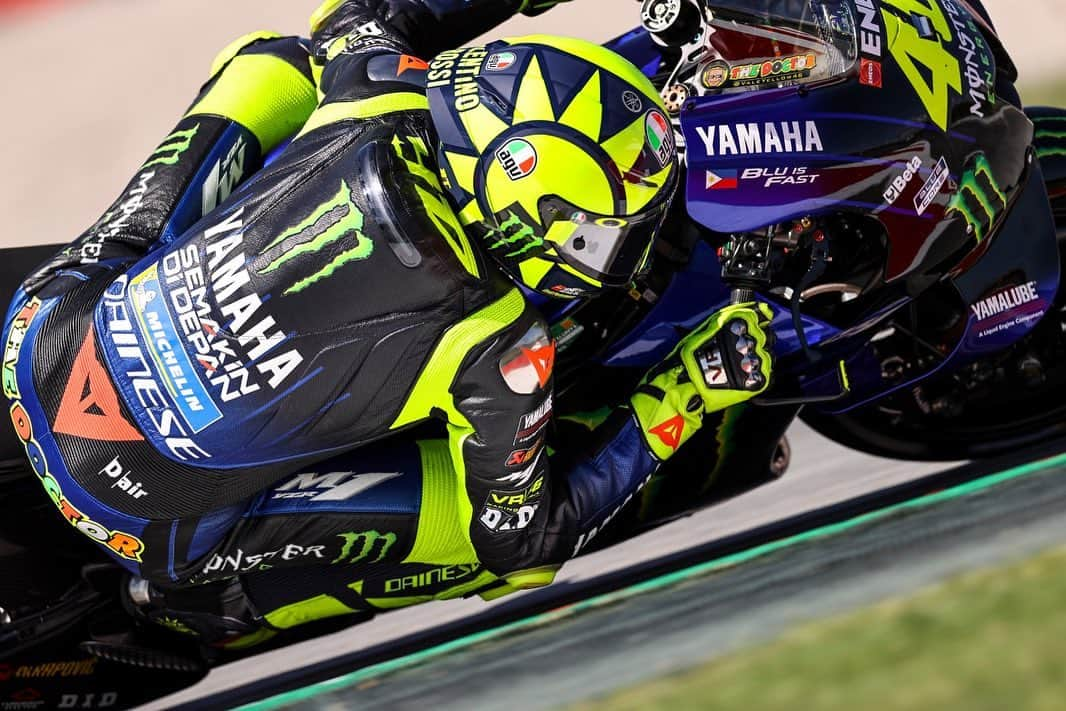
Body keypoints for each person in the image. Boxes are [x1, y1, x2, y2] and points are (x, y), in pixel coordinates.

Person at [2, 0, 774, 645]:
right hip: (148, 519)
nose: (619, 245)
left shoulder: (383, 92)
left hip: (38, 333)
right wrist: (691, 388)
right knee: (502, 552)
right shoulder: (498, 340)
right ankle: (228, 601)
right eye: (599, 233)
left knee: (273, 62)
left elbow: (358, 13)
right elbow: (524, 533)